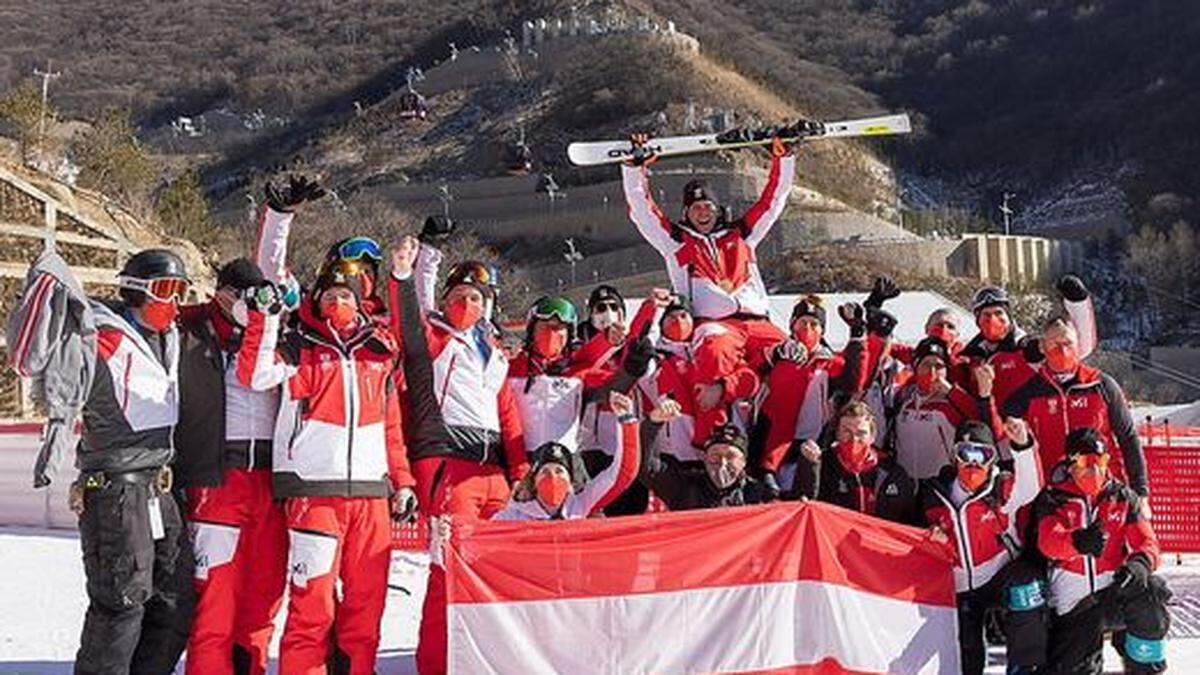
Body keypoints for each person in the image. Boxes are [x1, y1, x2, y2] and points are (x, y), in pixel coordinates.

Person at [8, 248, 196, 674]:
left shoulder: (170, 338)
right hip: (116, 487)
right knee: (121, 606)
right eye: (166, 289)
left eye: (181, 291)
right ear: (136, 291)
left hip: (160, 488)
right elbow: (35, 362)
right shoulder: (97, 336)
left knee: (173, 603)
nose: (175, 301)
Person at [237, 259, 417, 674]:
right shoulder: (300, 347)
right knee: (312, 604)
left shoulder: (379, 352)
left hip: (372, 494)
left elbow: (392, 426)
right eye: (330, 295)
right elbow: (254, 374)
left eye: (346, 295)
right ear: (316, 304)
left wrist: (402, 480)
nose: (339, 301)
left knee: (366, 606)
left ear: (360, 303)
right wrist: (263, 321)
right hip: (314, 492)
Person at [389, 235, 526, 675]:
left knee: (496, 574)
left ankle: (486, 660)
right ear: (445, 302)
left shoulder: (495, 352)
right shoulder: (435, 340)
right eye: (459, 296)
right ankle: (435, 664)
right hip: (450, 463)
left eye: (476, 297)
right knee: (446, 571)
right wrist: (405, 274)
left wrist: (519, 466)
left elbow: (508, 414)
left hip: (494, 472)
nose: (467, 303)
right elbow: (407, 322)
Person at [621, 131, 802, 400]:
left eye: (707, 206)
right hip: (716, 325)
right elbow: (643, 213)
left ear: (718, 210)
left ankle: (784, 435)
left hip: (758, 323)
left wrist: (784, 159)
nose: (702, 212)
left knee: (794, 359)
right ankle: (714, 436)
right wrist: (635, 171)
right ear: (685, 213)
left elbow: (772, 203)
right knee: (714, 359)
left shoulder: (742, 234)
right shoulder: (676, 242)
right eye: (695, 208)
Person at [175, 258, 287, 675]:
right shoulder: (191, 331)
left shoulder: (272, 335)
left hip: (270, 481)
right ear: (221, 293)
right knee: (216, 596)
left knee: (264, 592)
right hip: (217, 478)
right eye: (240, 295)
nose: (249, 305)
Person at [1029, 428, 1171, 674]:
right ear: (1071, 463)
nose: (1095, 470)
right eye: (1086, 462)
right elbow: (1047, 541)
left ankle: (1144, 666)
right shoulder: (1054, 497)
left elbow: (1148, 542)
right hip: (1075, 603)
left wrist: (1140, 563)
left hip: (1113, 593)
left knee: (1151, 590)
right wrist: (1076, 542)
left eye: (1101, 461)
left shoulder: (1123, 496)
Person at [918, 420, 1046, 675]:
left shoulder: (1001, 488)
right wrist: (938, 543)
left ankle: (1024, 668)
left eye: (982, 454)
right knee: (966, 647)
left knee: (1026, 590)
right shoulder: (935, 495)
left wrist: (1022, 445)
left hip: (1000, 575)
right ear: (955, 457)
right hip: (961, 584)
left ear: (992, 459)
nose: (973, 463)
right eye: (966, 453)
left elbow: (1031, 488)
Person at [1002, 315, 1150, 504]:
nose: (1063, 350)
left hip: (1103, 490)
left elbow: (1128, 437)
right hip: (1055, 496)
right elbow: (1002, 428)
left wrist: (1140, 492)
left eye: (1068, 343)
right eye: (1055, 344)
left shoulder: (1101, 385)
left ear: (1078, 345)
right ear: (1043, 347)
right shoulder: (1030, 391)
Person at [755, 295, 867, 498]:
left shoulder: (827, 362)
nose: (808, 328)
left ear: (822, 331)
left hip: (809, 445)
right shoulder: (778, 353)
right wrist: (776, 354)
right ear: (792, 325)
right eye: (803, 322)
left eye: (814, 324)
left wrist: (857, 335)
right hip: (770, 443)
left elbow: (854, 379)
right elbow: (753, 365)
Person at [493, 392, 642, 521]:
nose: (552, 477)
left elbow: (622, 473)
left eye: (559, 471)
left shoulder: (581, 504)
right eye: (545, 472)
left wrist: (626, 420)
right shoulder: (513, 515)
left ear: (571, 480)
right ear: (533, 481)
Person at [959, 276, 1097, 410]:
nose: (993, 320)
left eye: (999, 313)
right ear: (977, 320)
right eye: (986, 315)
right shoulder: (970, 357)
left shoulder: (1028, 349)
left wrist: (1077, 303)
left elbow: (1077, 349)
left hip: (1026, 426)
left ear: (1009, 317)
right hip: (991, 426)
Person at [890, 337, 994, 480]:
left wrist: (952, 392)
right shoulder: (904, 397)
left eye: (939, 366)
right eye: (926, 364)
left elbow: (982, 420)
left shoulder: (954, 400)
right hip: (904, 481)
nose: (932, 371)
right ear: (916, 367)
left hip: (939, 483)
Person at [801, 401, 920, 525]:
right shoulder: (821, 464)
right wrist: (809, 466)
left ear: (872, 436)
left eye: (861, 433)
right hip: (835, 540)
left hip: (876, 541)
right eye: (846, 431)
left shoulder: (893, 473)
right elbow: (803, 506)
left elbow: (910, 520)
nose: (854, 439)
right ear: (837, 434)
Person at [640, 415, 776, 511]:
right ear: (705, 458)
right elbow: (647, 470)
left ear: (743, 462)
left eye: (730, 456)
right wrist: (653, 423)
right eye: (715, 455)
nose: (722, 463)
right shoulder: (686, 486)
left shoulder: (757, 494)